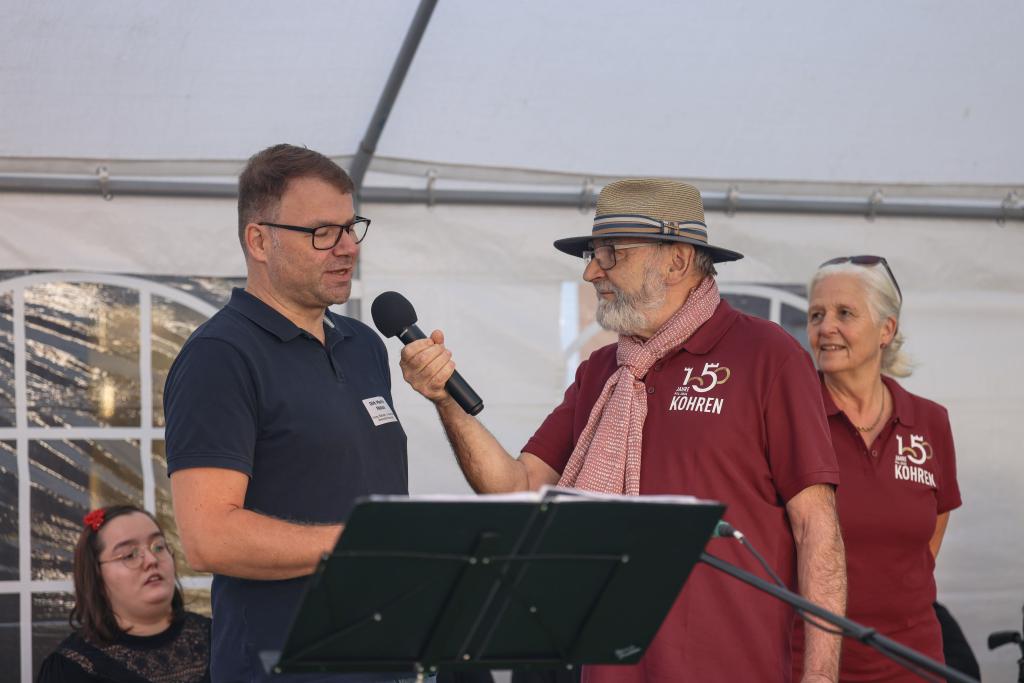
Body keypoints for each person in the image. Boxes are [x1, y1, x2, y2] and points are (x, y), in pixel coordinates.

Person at [399, 178, 847, 683]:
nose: (592, 271)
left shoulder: (768, 355)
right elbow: (517, 489)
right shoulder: (603, 372)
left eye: (611, 253)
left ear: (675, 261)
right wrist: (447, 403)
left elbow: (817, 526)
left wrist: (822, 677)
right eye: (592, 254)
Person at [163, 144, 410, 682]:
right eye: (323, 232)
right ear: (259, 240)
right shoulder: (221, 355)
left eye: (352, 228)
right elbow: (209, 536)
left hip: (381, 652)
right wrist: (365, 544)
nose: (347, 248)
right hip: (284, 663)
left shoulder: (364, 344)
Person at [794, 256, 962, 682]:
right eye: (817, 314)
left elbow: (926, 544)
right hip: (811, 665)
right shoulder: (791, 416)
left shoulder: (930, 421)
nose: (825, 326)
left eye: (844, 313)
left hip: (913, 662)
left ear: (886, 329)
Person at [37, 504, 211, 682]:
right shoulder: (71, 667)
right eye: (129, 555)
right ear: (96, 576)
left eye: (158, 547)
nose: (151, 560)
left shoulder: (219, 637)